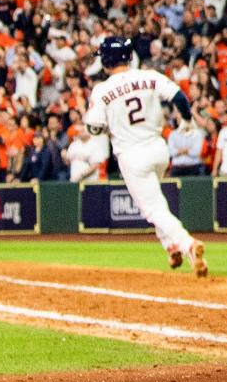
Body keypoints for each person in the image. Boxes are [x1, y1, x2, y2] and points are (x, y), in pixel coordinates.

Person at [83, 36, 208, 277]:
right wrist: (188, 120)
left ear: (106, 62)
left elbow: (94, 127)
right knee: (153, 201)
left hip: (132, 154)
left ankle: (186, 244)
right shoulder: (149, 76)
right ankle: (170, 247)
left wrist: (103, 124)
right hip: (159, 150)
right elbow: (179, 97)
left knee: (152, 208)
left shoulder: (102, 90)